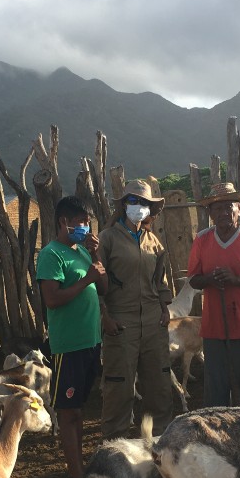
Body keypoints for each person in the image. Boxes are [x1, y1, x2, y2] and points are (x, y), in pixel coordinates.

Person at [36, 196, 108, 478]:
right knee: (70, 413)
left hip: (91, 342)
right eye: (80, 221)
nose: (85, 226)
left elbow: (103, 287)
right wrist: (86, 279)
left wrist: (96, 257)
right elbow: (51, 300)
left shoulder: (82, 252)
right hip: (68, 346)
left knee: (80, 409)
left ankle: (81, 470)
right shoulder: (51, 255)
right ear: (63, 222)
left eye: (87, 221)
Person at [187, 182, 240, 407]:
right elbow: (194, 279)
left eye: (229, 207)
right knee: (216, 386)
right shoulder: (202, 240)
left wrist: (236, 280)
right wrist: (210, 280)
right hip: (215, 325)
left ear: (239, 209)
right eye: (217, 208)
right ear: (210, 213)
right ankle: (218, 437)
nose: (224, 212)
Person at [98, 179, 173, 438]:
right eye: (133, 201)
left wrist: (165, 311)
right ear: (123, 205)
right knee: (119, 388)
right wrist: (104, 317)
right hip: (121, 322)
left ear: (150, 209)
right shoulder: (106, 239)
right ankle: (114, 450)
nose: (138, 206)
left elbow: (161, 280)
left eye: (144, 202)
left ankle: (159, 450)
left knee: (159, 385)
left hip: (154, 322)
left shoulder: (154, 242)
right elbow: (96, 283)